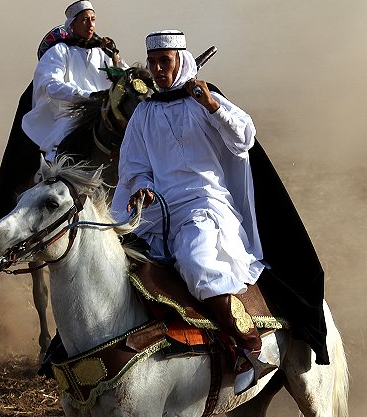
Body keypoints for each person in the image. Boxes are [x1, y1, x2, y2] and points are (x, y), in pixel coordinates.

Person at [112, 30, 273, 393]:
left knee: (198, 264)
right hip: (160, 207)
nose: (156, 69)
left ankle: (250, 347)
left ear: (179, 61)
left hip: (204, 203)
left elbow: (244, 137)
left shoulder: (203, 99)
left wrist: (212, 106)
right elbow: (134, 164)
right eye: (152, 63)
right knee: (113, 259)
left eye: (163, 62)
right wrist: (140, 185)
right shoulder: (144, 114)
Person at [22, 0, 126, 162]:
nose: (90, 25)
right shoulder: (59, 51)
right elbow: (51, 84)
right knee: (64, 138)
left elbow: (125, 78)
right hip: (72, 113)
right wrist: (87, 96)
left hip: (104, 111)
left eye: (93, 19)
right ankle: (52, 174)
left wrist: (115, 58)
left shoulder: (104, 52)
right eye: (84, 20)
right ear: (72, 24)